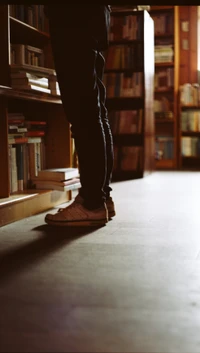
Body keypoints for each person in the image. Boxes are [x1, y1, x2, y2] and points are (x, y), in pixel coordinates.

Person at [44, 5, 116, 227]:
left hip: (73, 17)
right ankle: (101, 197)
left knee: (84, 113)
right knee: (95, 112)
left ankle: (92, 204)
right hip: (93, 17)